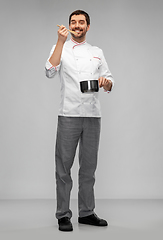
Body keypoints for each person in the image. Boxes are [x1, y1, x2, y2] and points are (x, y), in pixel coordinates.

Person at [45, 10, 114, 232]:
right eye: (73, 22)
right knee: (63, 168)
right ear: (69, 25)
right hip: (68, 114)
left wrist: (105, 82)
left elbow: (110, 80)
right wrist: (59, 41)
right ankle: (63, 215)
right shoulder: (61, 48)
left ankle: (86, 213)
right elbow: (49, 71)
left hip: (93, 116)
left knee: (89, 168)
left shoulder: (97, 52)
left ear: (88, 26)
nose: (77, 25)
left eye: (81, 22)